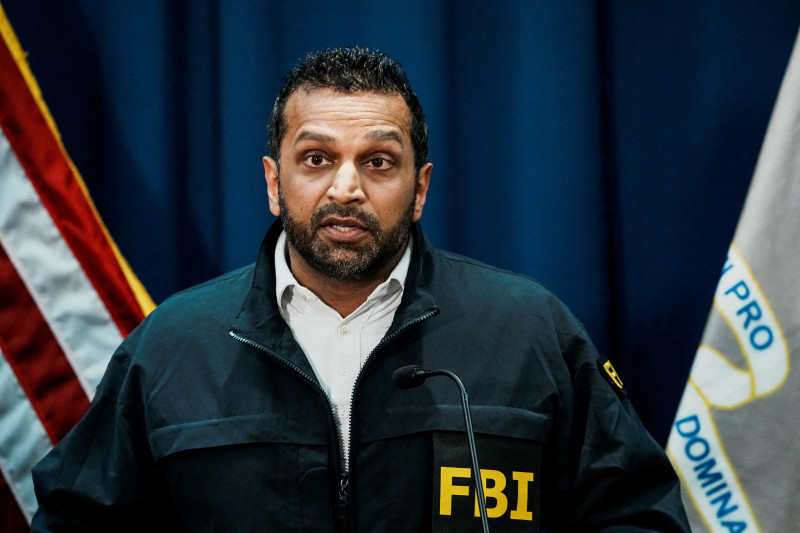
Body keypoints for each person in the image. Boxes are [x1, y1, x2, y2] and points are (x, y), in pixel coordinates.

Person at [31, 46, 690, 532]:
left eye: (378, 161)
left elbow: (639, 516)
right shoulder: (173, 346)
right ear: (272, 180)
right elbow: (72, 522)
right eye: (317, 158)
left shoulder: (529, 331)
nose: (345, 188)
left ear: (421, 187)